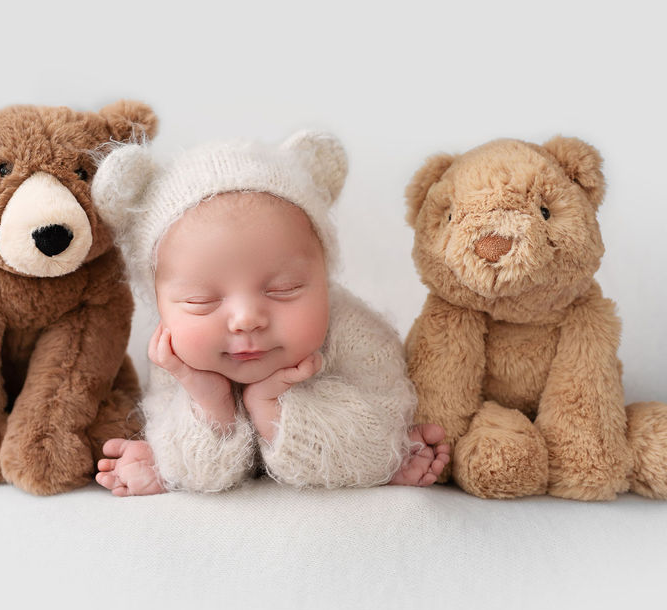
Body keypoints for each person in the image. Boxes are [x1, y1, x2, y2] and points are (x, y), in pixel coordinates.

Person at [89, 131, 448, 496]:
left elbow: (379, 447)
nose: (246, 319)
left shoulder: (357, 334)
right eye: (201, 301)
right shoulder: (175, 358)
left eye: (284, 289)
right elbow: (196, 472)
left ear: (323, 278)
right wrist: (209, 404)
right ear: (161, 305)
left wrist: (272, 408)